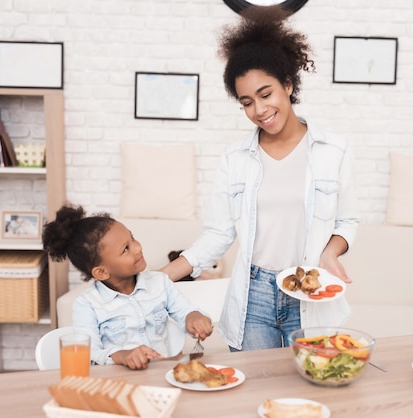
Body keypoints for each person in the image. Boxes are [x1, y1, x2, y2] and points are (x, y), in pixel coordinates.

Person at [161, 7, 359, 352]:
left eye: (266, 94)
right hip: (255, 296)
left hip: (309, 290)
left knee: (308, 390)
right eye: (247, 102)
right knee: (256, 394)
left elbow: (347, 220)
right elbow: (218, 234)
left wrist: (330, 252)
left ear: (288, 84)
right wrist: (161, 277)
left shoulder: (333, 150)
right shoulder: (235, 158)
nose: (260, 111)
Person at [42, 204, 214, 370]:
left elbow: (184, 310)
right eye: (125, 249)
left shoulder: (160, 282)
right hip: (118, 382)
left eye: (132, 238)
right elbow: (89, 353)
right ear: (101, 272)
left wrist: (193, 317)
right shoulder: (87, 305)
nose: (138, 248)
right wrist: (121, 356)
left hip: (162, 374)